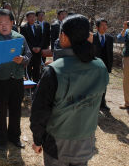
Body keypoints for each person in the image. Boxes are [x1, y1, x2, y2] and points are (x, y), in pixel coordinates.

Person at [30, 14, 109, 166]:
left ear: (64, 37)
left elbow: (39, 112)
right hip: (86, 140)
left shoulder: (54, 71)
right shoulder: (100, 67)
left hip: (58, 143)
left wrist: (37, 140)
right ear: (89, 37)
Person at [0, 9, 32, 150]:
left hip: (16, 79)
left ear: (12, 23)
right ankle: (1, 139)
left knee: (15, 109)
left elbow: (29, 54)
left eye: (7, 22)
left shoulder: (19, 37)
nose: (4, 25)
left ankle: (14, 136)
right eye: (0, 23)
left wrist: (22, 59)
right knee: (0, 111)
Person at [93, 18, 113, 111]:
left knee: (104, 84)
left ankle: (102, 103)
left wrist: (110, 66)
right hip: (94, 65)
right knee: (94, 84)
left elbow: (110, 53)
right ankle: (93, 102)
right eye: (102, 25)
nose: (104, 27)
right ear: (97, 27)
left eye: (106, 25)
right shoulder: (92, 37)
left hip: (105, 65)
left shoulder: (109, 38)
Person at [21, 11, 43, 82]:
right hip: (29, 52)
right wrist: (32, 48)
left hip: (38, 52)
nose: (32, 18)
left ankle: (36, 86)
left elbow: (41, 38)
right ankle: (28, 88)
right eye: (30, 17)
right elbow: (24, 40)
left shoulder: (38, 27)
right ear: (27, 18)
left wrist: (39, 47)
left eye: (34, 17)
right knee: (28, 69)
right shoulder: (24, 27)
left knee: (37, 69)